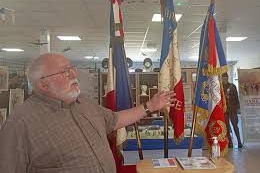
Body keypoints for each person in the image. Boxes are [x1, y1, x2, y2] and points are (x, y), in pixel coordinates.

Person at [0, 53, 176, 173]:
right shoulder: (19, 125)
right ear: (43, 85)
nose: (73, 74)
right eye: (64, 72)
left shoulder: (84, 102)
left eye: (72, 68)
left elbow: (115, 120)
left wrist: (150, 106)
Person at [222, 73, 243, 148]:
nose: (225, 79)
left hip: (232, 109)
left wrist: (238, 108)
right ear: (221, 78)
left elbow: (236, 98)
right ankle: (230, 142)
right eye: (223, 78)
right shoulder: (220, 87)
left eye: (226, 78)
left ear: (228, 78)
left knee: (235, 126)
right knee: (227, 127)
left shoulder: (232, 86)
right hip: (224, 110)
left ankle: (239, 141)